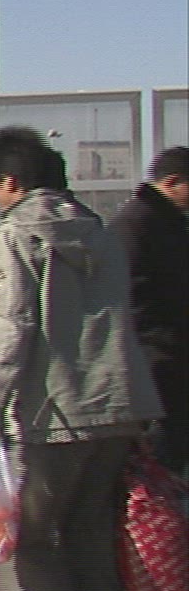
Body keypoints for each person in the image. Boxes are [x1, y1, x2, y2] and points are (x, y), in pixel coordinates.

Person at [0, 128, 163, 591]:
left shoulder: (17, 234)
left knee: (30, 539)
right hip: (118, 404)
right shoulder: (99, 232)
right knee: (90, 537)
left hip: (53, 410)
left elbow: (12, 327)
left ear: (10, 180)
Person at [111, 146, 188, 474]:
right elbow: (130, 299)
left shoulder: (164, 222)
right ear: (172, 182)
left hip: (165, 355)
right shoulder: (138, 225)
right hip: (154, 360)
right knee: (159, 461)